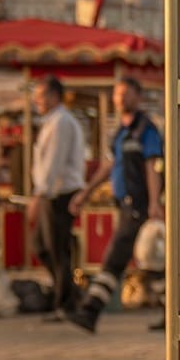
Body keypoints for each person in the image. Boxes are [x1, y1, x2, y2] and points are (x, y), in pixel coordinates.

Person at [66, 79, 163, 333]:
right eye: (117, 94)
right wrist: (86, 192)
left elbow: (152, 167)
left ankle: (90, 310)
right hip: (123, 205)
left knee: (115, 257)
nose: (120, 98)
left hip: (139, 205)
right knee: (152, 260)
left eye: (126, 93)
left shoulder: (146, 129)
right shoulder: (120, 132)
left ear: (138, 96)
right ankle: (171, 311)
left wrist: (154, 203)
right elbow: (109, 166)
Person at [29, 75, 86, 317]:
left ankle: (65, 303)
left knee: (56, 249)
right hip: (51, 192)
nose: (37, 102)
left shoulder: (61, 122)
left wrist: (39, 194)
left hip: (59, 193)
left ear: (53, 96)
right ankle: (68, 293)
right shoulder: (51, 121)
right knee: (41, 246)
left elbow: (54, 161)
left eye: (40, 97)